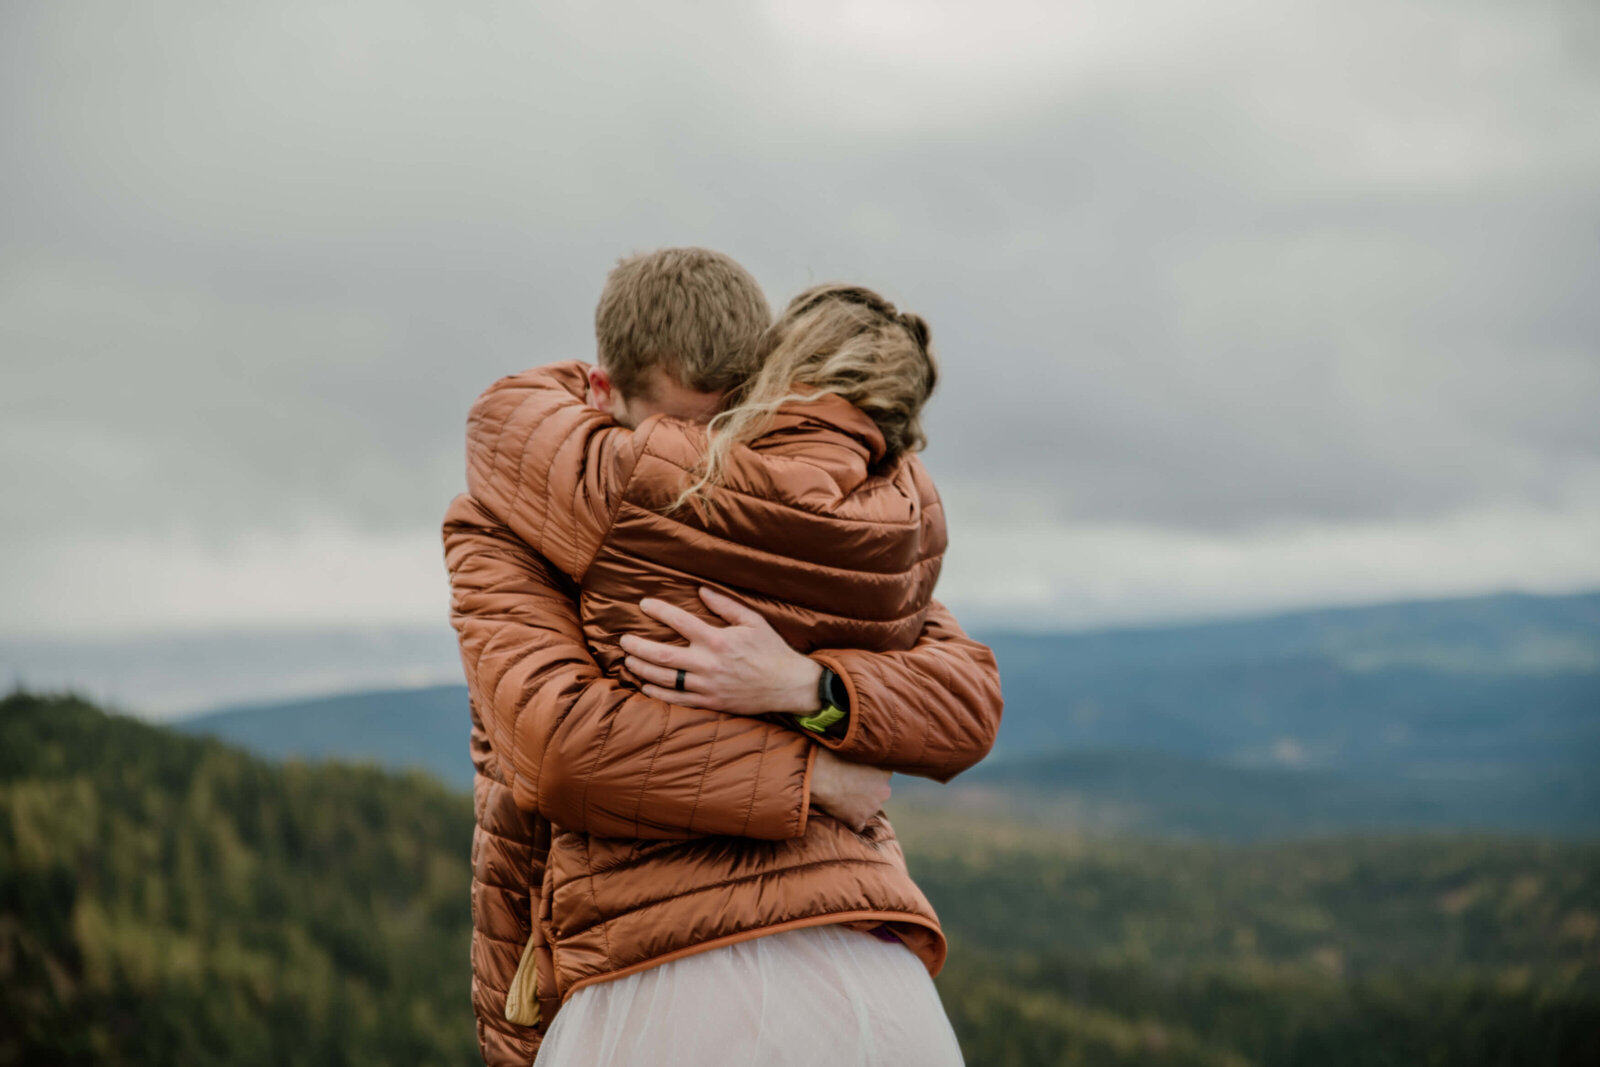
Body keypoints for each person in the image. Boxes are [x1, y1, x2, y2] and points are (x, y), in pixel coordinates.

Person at [442, 248, 1002, 1065]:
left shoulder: (772, 506)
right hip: (868, 988)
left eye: (729, 425)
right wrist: (814, 778)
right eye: (672, 428)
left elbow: (964, 694)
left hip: (663, 984)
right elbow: (565, 743)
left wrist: (806, 684)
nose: (701, 459)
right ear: (603, 397)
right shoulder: (528, 518)